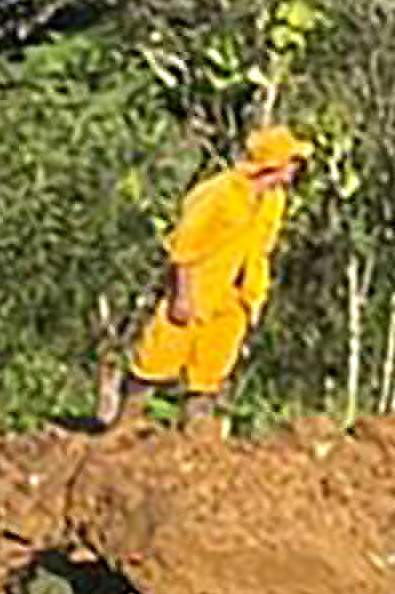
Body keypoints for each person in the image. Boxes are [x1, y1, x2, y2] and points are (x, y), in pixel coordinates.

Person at [119, 115, 316, 425]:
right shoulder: (218, 192)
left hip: (234, 298)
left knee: (210, 372)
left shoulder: (274, 201)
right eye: (292, 162)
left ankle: (196, 436)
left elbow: (261, 251)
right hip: (196, 288)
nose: (295, 170)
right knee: (156, 359)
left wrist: (253, 299)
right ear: (272, 163)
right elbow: (183, 247)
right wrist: (182, 295)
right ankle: (125, 424)